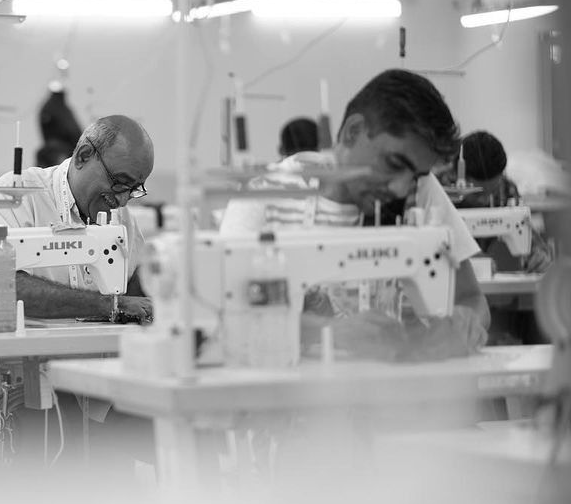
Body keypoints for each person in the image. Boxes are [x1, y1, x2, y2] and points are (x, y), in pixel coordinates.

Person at [221, 69, 490, 361]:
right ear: (352, 132)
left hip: (393, 385)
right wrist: (329, 332)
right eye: (393, 163)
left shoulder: (421, 191)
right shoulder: (265, 193)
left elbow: (471, 299)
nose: (400, 188)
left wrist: (465, 323)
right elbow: (225, 313)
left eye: (416, 175)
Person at [0, 115, 155, 468]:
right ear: (83, 155)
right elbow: (6, 285)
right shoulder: (19, 195)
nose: (123, 200)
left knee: (170, 423)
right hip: (3, 376)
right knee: (57, 435)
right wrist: (108, 305)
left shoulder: (121, 221)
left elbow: (137, 295)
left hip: (88, 380)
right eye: (119, 182)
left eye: (134, 188)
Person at [438, 130, 554, 273]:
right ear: (457, 176)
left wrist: (540, 253)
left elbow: (524, 228)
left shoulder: (506, 189)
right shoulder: (436, 190)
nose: (486, 200)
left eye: (492, 191)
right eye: (478, 194)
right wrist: (467, 256)